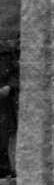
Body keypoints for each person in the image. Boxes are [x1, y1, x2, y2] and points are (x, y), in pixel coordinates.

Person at [0, 38, 18, 177]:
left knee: (6, 134)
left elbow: (16, 72)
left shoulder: (5, 50)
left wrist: (10, 86)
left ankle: (5, 170)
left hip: (4, 103)